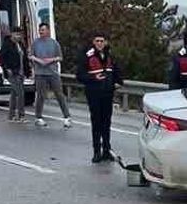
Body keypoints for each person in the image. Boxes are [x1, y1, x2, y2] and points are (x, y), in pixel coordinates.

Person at [77, 34, 123, 163]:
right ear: (93, 42)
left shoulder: (109, 55)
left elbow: (116, 71)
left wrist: (118, 82)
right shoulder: (87, 56)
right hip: (94, 93)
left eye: (102, 41)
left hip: (108, 93)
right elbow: (80, 75)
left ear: (105, 42)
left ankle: (106, 150)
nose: (99, 43)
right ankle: (96, 151)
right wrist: (93, 78)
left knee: (106, 123)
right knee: (96, 123)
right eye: (97, 41)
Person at [29, 22, 71, 129]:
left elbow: (60, 57)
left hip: (52, 72)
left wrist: (50, 60)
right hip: (40, 73)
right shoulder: (35, 43)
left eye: (43, 30)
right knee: (40, 95)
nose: (41, 32)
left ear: (48, 31)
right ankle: (38, 117)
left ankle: (67, 117)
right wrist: (38, 60)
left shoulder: (54, 43)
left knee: (59, 94)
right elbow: (30, 56)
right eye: (40, 30)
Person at [0, 27, 30, 122]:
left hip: (21, 72)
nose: (18, 36)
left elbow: (24, 58)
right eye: (16, 34)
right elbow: (0, 57)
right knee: (20, 93)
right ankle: (21, 115)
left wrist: (27, 71)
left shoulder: (20, 44)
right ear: (12, 34)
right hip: (12, 72)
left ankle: (11, 115)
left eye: (20, 34)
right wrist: (6, 68)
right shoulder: (7, 44)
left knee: (14, 93)